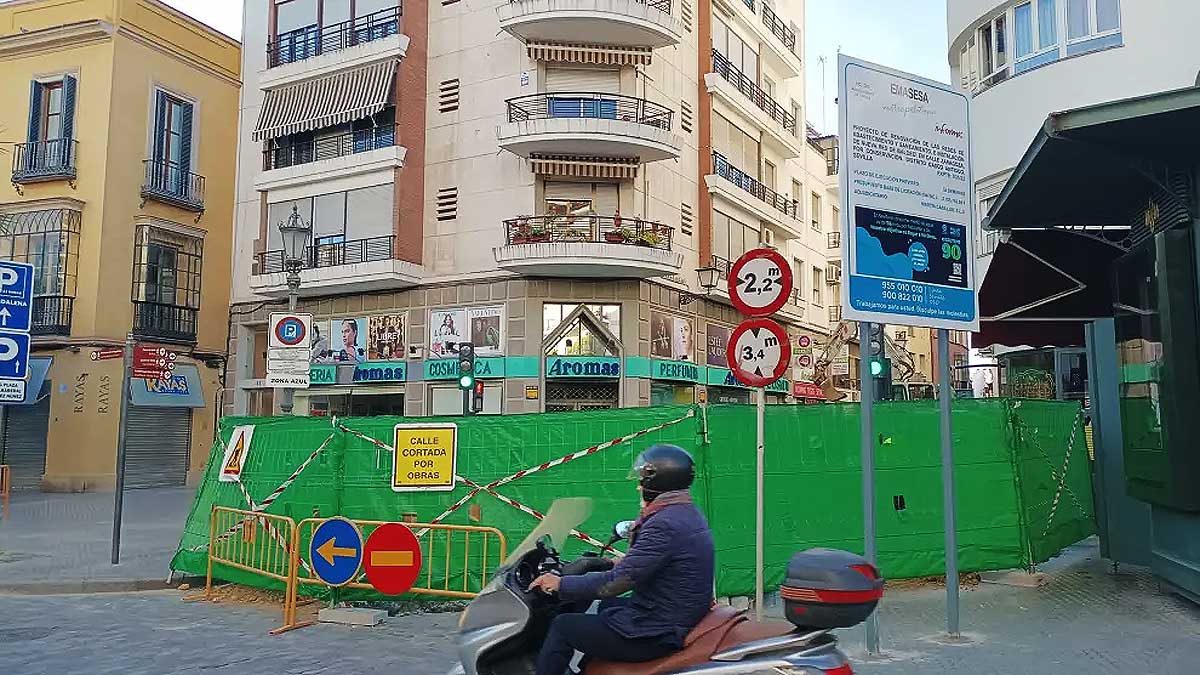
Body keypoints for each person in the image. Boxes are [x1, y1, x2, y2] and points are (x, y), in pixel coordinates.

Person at [528, 445, 715, 675]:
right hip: (672, 613)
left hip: (659, 630)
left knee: (563, 627)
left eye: (642, 479)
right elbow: (656, 562)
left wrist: (559, 583)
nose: (638, 485)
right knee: (604, 610)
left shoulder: (664, 523)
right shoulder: (684, 513)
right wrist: (617, 563)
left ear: (657, 483)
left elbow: (613, 585)